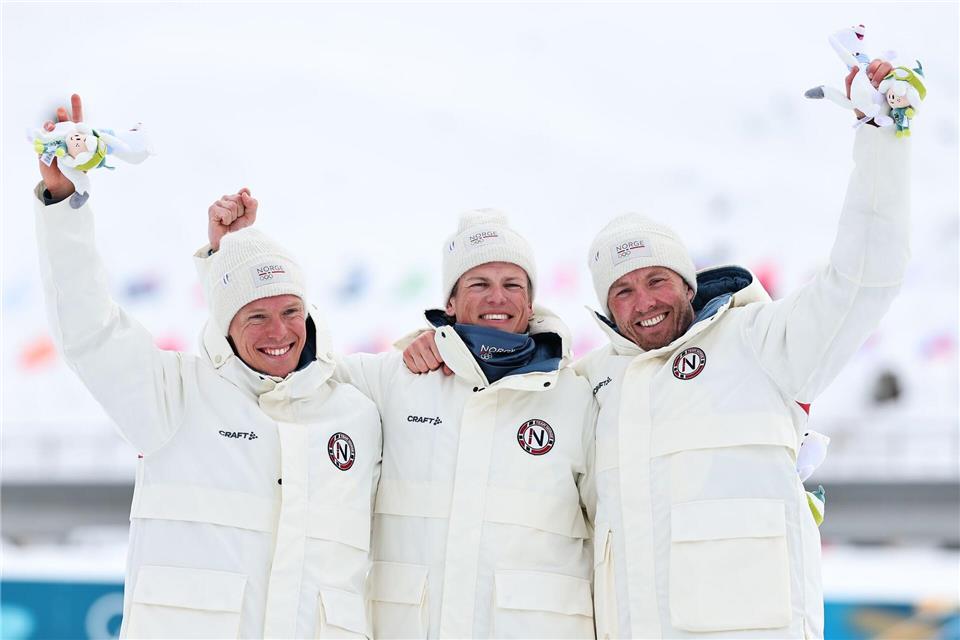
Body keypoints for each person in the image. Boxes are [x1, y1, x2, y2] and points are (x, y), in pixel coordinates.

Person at [403, 59, 909, 638]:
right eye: (622, 290)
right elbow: (504, 390)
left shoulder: (764, 344)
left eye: (656, 279)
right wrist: (445, 346)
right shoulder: (590, 384)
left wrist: (882, 140)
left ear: (689, 284)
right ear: (605, 308)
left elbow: (864, 280)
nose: (643, 301)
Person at [34, 95, 381, 639]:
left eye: (290, 311)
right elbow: (88, 329)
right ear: (224, 326)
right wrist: (64, 200)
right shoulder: (175, 397)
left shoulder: (355, 412)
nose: (278, 331)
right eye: (255, 316)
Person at [206, 208, 598, 638]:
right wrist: (232, 261)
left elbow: (609, 529)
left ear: (530, 300)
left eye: (512, 285)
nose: (497, 298)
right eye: (479, 284)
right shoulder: (394, 379)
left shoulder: (574, 395)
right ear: (450, 302)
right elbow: (278, 364)